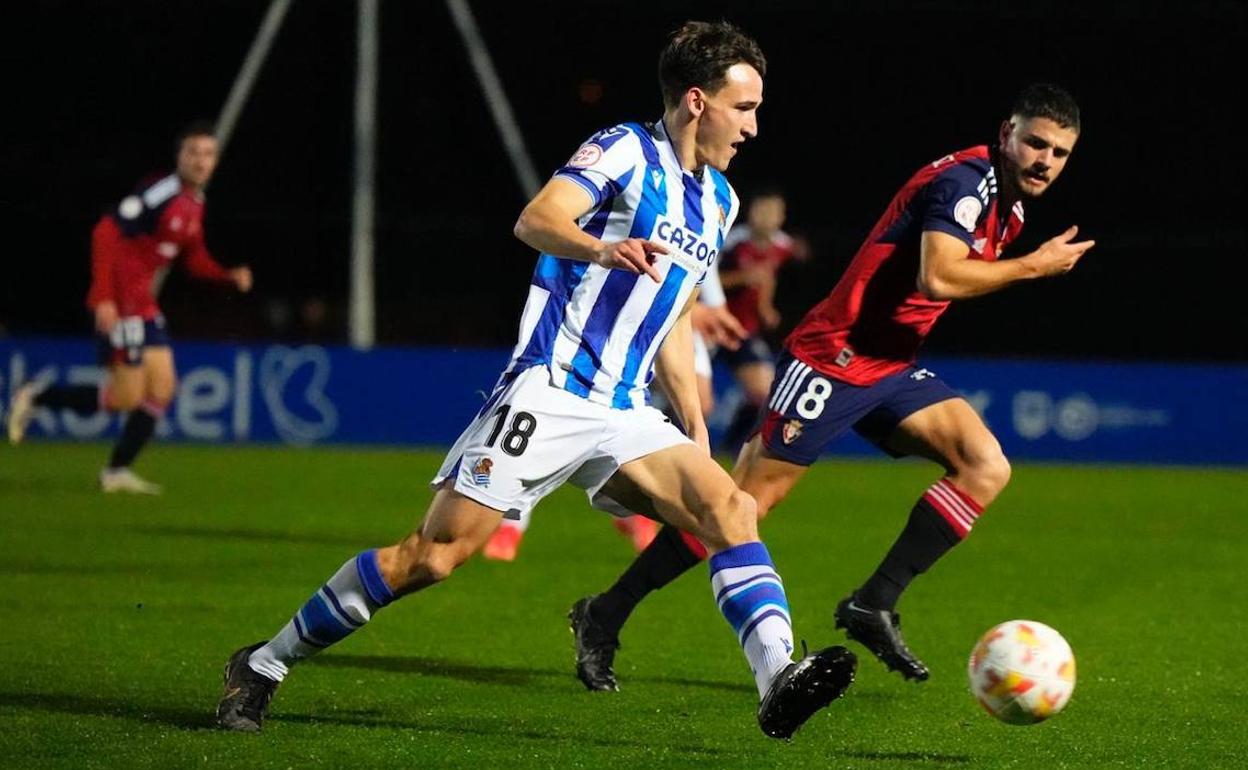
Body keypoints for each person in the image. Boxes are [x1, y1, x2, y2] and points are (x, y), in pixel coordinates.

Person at [215, 21, 854, 740]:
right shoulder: (623, 151)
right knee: (433, 556)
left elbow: (671, 312)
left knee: (730, 511)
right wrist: (600, 248)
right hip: (550, 391)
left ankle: (778, 681)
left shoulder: (720, 203)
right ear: (699, 102)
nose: (754, 127)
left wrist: (694, 421)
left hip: (625, 410)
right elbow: (537, 218)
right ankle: (264, 663)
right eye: (745, 108)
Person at [569, 83, 1092, 689]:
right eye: (1035, 143)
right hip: (834, 359)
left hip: (890, 364)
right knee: (738, 504)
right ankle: (604, 613)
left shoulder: (1012, 203)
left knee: (984, 465)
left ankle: (873, 603)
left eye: (1058, 153)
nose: (1043, 161)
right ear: (1007, 133)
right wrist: (1035, 266)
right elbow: (939, 275)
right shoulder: (968, 183)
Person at [6, 122, 253, 492]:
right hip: (121, 303)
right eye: (193, 153)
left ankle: (117, 471)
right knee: (126, 397)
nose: (201, 161)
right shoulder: (162, 191)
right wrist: (104, 297)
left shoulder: (194, 203)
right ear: (179, 158)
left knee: (163, 389)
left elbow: (193, 257)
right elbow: (105, 231)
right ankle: (36, 396)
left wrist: (226, 275)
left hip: (144, 305)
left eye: (208, 154)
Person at [480, 259, 744, 560]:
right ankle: (512, 522)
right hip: (603, 322)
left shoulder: (717, 214)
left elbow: (701, 260)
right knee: (552, 432)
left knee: (696, 400)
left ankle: (631, 507)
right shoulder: (623, 219)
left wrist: (712, 306)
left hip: (663, 316)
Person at [715, 189, 808, 453]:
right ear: (751, 213)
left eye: (774, 212)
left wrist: (766, 307)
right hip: (708, 327)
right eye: (762, 211)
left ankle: (728, 448)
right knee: (693, 398)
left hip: (742, 330)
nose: (768, 218)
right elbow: (702, 280)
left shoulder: (782, 246)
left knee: (764, 391)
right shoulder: (732, 242)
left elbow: (768, 276)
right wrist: (742, 278)